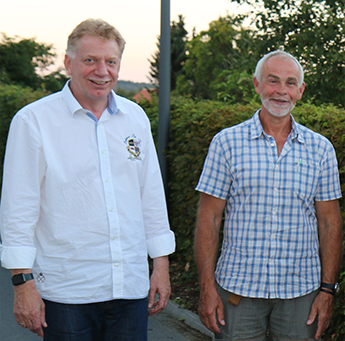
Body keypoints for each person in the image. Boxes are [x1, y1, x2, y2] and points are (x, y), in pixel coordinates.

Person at [0, 18, 175, 340]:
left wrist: (160, 266)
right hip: (67, 291)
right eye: (90, 60)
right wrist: (22, 284)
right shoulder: (33, 121)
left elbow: (150, 195)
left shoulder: (135, 118)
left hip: (129, 287)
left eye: (111, 61)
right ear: (69, 63)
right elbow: (18, 210)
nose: (102, 71)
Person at [195, 50, 342, 341]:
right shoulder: (226, 143)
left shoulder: (321, 149)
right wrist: (206, 287)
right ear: (257, 85)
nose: (281, 91)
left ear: (300, 91)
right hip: (237, 288)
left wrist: (327, 290)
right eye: (273, 81)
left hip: (301, 292)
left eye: (290, 83)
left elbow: (330, 224)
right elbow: (208, 219)